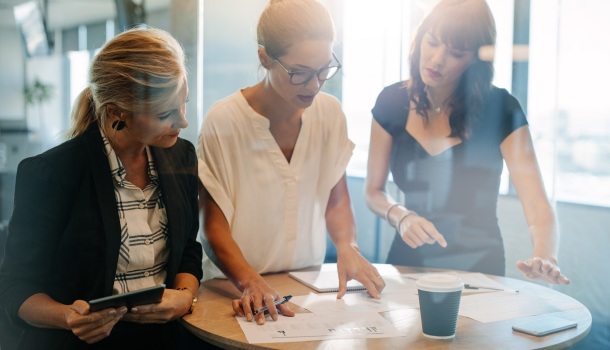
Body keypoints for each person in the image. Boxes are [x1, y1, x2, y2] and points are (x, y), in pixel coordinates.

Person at [0, 27, 204, 349]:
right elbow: (16, 288)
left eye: (184, 105)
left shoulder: (181, 154)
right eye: (165, 113)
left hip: (166, 339)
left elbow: (188, 252)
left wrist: (184, 297)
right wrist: (68, 316)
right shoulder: (53, 174)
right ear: (117, 112)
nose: (183, 122)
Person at [197, 0, 385, 325]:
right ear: (264, 57)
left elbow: (336, 198)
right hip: (235, 287)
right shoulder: (224, 121)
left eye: (324, 69)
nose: (314, 85)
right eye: (300, 73)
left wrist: (347, 246)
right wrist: (250, 281)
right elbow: (212, 227)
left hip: (303, 287)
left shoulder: (329, 113)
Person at [365, 0, 569, 284]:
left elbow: (537, 205)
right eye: (432, 42)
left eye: (455, 53)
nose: (436, 59)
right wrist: (401, 216)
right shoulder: (391, 101)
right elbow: (373, 192)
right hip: (408, 262)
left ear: (475, 59)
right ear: (420, 37)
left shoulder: (501, 108)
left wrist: (545, 256)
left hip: (479, 267)